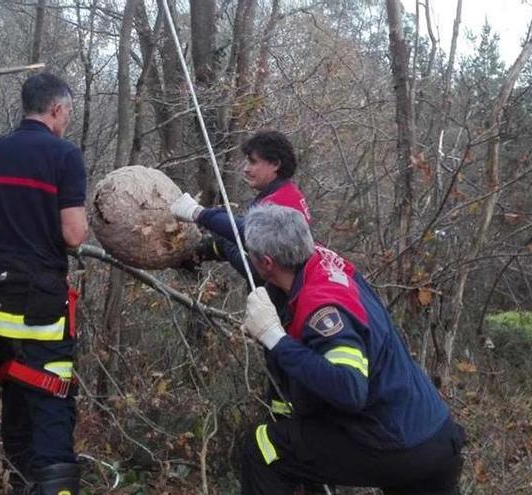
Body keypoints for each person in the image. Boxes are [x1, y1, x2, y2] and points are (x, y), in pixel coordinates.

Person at [238, 204, 465, 494]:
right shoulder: (322, 261)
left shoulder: (323, 309)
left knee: (264, 447)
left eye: (251, 255)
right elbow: (241, 230)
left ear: (267, 263)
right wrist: (199, 215)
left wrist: (273, 337)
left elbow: (349, 388)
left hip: (396, 443)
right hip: (434, 434)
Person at [0, 73, 88, 495]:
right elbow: (73, 235)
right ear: (57, 110)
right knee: (52, 399)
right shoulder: (64, 155)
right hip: (38, 312)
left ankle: (21, 483)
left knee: (15, 391)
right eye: (67, 112)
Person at [170, 130, 311, 276]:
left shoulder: (281, 202)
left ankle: (194, 255)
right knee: (224, 240)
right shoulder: (285, 192)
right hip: (276, 276)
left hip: (275, 283)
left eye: (253, 162)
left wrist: (197, 212)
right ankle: (193, 255)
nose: (245, 169)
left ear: (275, 164)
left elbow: (247, 232)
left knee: (228, 239)